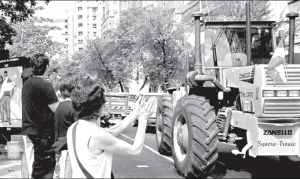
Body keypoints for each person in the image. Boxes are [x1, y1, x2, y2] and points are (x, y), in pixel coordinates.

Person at [67, 80, 157, 178]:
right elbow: (135, 149)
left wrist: (135, 113)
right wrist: (143, 119)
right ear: (100, 107)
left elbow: (111, 132)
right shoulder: (97, 135)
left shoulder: (73, 128)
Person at [21, 53, 60, 179]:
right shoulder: (45, 85)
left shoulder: (26, 84)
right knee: (43, 171)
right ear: (46, 67)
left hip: (28, 131)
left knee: (31, 163)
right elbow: (56, 109)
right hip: (42, 134)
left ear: (32, 66)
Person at [52, 82, 77, 178]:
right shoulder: (72, 107)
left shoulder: (58, 106)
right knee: (66, 173)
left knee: (58, 172)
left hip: (57, 143)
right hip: (67, 145)